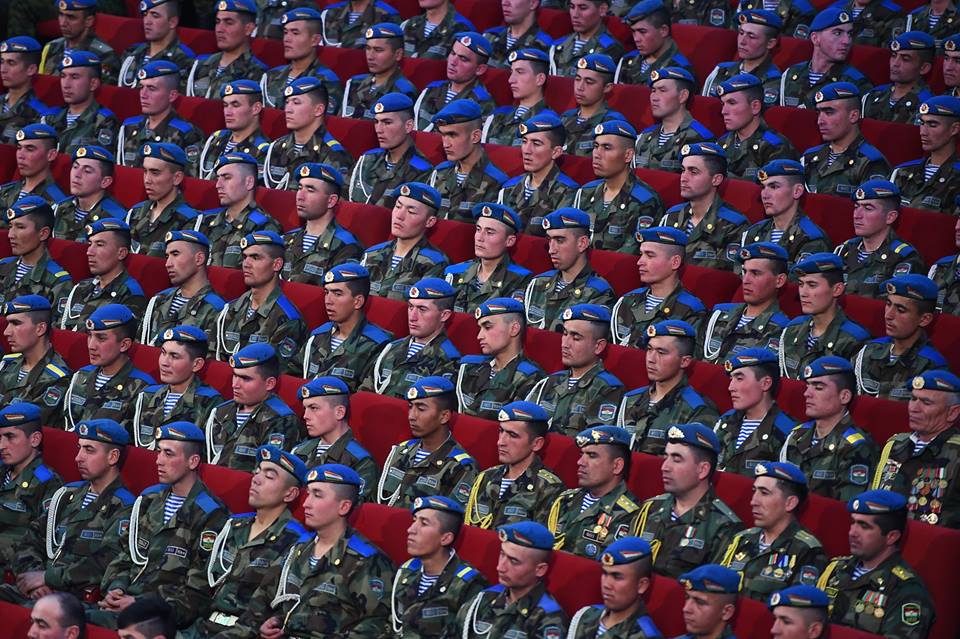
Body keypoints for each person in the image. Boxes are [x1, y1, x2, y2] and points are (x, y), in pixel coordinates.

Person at [92, 422, 229, 629]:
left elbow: (197, 593)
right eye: (158, 452)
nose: (158, 460)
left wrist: (138, 604)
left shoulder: (212, 514)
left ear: (192, 461)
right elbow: (124, 554)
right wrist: (117, 589)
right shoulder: (149, 499)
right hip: (124, 604)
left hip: (159, 618)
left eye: (168, 454)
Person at [233, 463, 395, 637]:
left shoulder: (366, 560)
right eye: (308, 493)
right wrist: (272, 622)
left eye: (317, 495)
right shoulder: (299, 547)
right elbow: (263, 597)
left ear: (344, 507)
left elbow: (377, 624)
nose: (306, 504)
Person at [6, 419, 132, 605]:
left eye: (89, 450)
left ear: (112, 457)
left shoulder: (124, 506)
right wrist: (35, 579)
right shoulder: (67, 494)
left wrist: (48, 578)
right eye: (79, 448)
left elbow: (106, 563)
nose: (78, 457)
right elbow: (31, 538)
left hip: (73, 599)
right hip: (38, 589)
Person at [185, 445, 308, 637]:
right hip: (201, 626)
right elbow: (199, 583)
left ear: (290, 494)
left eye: (269, 476)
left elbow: (274, 613)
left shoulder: (296, 543)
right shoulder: (234, 526)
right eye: (257, 472)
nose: (256, 479)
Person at [817, 489, 936, 639]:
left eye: (864, 526)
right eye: (853, 522)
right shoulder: (836, 568)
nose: (852, 532)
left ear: (891, 537)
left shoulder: (907, 591)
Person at [632, 423, 743, 578]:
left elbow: (711, 587)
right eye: (666, 457)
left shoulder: (724, 527)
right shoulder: (650, 508)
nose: (664, 467)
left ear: (702, 470)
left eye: (676, 459)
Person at [720, 462, 827, 601]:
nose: (753, 501)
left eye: (764, 493)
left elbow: (797, 608)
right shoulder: (741, 539)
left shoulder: (806, 550)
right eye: (754, 491)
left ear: (790, 503)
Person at [781, 355, 878, 501]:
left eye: (818, 388)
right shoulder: (797, 435)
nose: (807, 394)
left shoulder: (855, 446)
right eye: (807, 386)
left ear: (844, 396)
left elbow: (846, 507)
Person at [872, 369, 960, 528]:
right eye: (913, 399)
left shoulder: (956, 454)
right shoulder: (895, 444)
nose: (914, 408)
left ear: (952, 413)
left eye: (926, 403)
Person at [391, 495, 489, 637]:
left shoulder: (469, 585)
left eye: (424, 523)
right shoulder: (406, 571)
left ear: (445, 538)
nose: (411, 529)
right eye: (414, 521)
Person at [619, 320, 719, 455]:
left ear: (684, 361)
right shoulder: (631, 398)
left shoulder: (697, 409)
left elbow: (690, 461)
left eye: (661, 352)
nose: (650, 359)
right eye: (649, 349)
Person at [377, 376, 478, 508]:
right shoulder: (401, 450)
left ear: (444, 416)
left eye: (421, 409)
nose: (411, 416)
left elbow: (448, 516)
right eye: (410, 407)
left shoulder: (460, 466)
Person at [291, 263, 393, 390]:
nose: (328, 301)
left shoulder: (377, 345)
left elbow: (365, 396)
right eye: (326, 292)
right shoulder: (318, 336)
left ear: (358, 301)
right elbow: (291, 375)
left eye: (337, 294)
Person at [526, 304, 624, 436]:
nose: (565, 344)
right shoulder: (550, 381)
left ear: (598, 346)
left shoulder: (608, 388)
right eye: (564, 334)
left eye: (576, 338)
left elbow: (595, 441)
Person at [458, 520, 568, 637]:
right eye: (502, 554)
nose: (500, 567)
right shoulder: (485, 598)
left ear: (540, 569)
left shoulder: (548, 618)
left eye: (514, 561)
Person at [465, 401, 564, 529]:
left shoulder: (548, 488)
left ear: (537, 444)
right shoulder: (485, 477)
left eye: (513, 435)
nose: (501, 442)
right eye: (501, 431)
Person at [205, 343, 303, 472]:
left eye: (245, 379)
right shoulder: (221, 411)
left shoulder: (281, 420)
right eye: (235, 375)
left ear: (269, 384)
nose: (235, 385)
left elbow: (269, 474)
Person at [213, 230, 307, 363]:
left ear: (276, 264)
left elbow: (276, 369)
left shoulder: (287, 318)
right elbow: (212, 355)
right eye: (245, 257)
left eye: (255, 257)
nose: (246, 264)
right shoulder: (230, 309)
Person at [546, 425, 639, 559]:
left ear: (617, 466)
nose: (580, 462)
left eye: (592, 456)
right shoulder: (565, 499)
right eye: (581, 455)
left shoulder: (630, 513)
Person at [62, 304, 156, 433]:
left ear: (124, 345)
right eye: (89, 335)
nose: (91, 346)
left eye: (101, 338)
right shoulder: (81, 375)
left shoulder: (142, 388)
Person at [573, 119, 664, 253]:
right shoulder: (585, 192)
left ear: (628, 155)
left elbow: (632, 253)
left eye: (607, 148)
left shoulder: (645, 201)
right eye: (596, 146)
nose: (597, 154)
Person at [777, 253, 871, 380]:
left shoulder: (854, 340)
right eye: (801, 284)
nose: (803, 293)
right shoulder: (792, 329)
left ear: (837, 289)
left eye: (812, 285)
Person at [363, 278, 462, 397]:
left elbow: (430, 405)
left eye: (422, 309)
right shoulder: (391, 347)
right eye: (410, 307)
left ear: (444, 315)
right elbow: (365, 391)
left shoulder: (448, 360)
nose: (412, 317)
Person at [853, 275, 946, 401]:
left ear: (924, 319)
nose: (888, 315)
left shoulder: (931, 366)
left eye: (900, 310)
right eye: (888, 304)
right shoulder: (867, 351)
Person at [660, 142, 748, 272]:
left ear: (716, 179)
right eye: (683, 170)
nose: (683, 178)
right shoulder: (671, 216)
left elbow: (733, 278)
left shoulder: (734, 225)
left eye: (693, 172)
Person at [612, 227, 705, 349]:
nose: (640, 262)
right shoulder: (628, 299)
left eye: (650, 255)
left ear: (675, 262)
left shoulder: (691, 311)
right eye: (641, 254)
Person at [132, 325, 223, 449]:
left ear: (196, 364)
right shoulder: (147, 395)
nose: (164, 362)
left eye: (174, 356)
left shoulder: (210, 402)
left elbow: (208, 453)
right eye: (163, 353)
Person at [523, 209, 615, 331]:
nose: (551, 250)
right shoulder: (538, 282)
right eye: (549, 240)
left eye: (560, 240)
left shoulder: (598, 293)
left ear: (582, 243)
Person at [701, 242, 791, 364]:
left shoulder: (780, 330)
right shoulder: (718, 314)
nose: (746, 280)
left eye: (755, 273)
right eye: (745, 272)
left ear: (779, 280)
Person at [455, 297, 544, 419]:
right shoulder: (469, 366)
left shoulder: (530, 378)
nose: (479, 336)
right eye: (480, 328)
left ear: (514, 329)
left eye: (488, 327)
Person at [0, 403, 62, 574]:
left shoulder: (48, 482)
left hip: (12, 565)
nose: (1, 446)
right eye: (0, 437)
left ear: (34, 439)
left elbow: (42, 538)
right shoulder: (2, 470)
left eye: (10, 437)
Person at [835, 180, 925, 298]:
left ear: (890, 217)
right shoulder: (845, 249)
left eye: (868, 208)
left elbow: (895, 303)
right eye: (856, 207)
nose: (857, 215)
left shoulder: (904, 257)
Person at [361, 182, 449, 301]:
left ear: (429, 222)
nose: (399, 216)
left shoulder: (434, 263)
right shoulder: (371, 254)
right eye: (398, 207)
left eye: (411, 212)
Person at [715, 348, 796, 477]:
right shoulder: (725, 421)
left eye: (739, 378)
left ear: (765, 383)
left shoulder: (787, 432)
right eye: (731, 379)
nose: (730, 387)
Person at [801, 82, 891, 197]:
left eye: (829, 113)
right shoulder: (810, 157)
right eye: (819, 113)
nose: (820, 121)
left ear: (853, 116)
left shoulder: (870, 162)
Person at [292, 377, 379, 495]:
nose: (305, 416)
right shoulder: (300, 450)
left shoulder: (360, 461)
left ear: (339, 412)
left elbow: (354, 504)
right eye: (305, 408)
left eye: (314, 408)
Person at [262, 76, 353, 190]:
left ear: (318, 110)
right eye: (287, 102)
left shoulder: (334, 154)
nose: (288, 109)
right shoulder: (276, 146)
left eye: (296, 103)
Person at [497, 111, 580, 234]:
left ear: (556, 152)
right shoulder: (508, 188)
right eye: (524, 142)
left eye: (536, 144)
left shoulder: (567, 191)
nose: (527, 150)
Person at [116, 61, 204, 176]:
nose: (143, 95)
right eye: (141, 87)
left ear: (172, 95)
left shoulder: (187, 134)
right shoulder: (129, 126)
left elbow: (190, 180)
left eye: (151, 88)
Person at [348, 92, 434, 208]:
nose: (379, 130)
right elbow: (343, 197)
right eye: (376, 122)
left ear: (408, 126)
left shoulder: (422, 170)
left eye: (387, 123)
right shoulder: (367, 159)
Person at [566, 536, 664, 638]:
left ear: (641, 585)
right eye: (605, 573)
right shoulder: (585, 615)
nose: (606, 584)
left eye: (617, 577)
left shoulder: (645, 635)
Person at [283, 162, 364, 284]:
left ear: (331, 201)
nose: (300, 196)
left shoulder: (346, 247)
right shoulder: (287, 238)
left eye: (310, 190)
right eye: (300, 188)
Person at [59, 219, 147, 332]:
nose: (89, 252)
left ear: (121, 253)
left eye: (99, 245)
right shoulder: (82, 286)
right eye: (90, 244)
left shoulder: (130, 295)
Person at [443, 203, 532, 315]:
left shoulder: (520, 279)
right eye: (478, 229)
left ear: (510, 241)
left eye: (489, 232)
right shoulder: (454, 272)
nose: (479, 238)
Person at [139, 230, 225, 345]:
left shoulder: (216, 309)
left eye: (175, 254)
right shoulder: (159, 299)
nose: (168, 264)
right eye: (167, 256)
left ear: (199, 259)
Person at [429, 99, 508, 222]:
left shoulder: (496, 182)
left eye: (452, 135)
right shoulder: (439, 173)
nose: (445, 144)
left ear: (475, 136)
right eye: (443, 135)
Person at [199, 151, 281, 268]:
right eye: (218, 178)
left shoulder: (264, 227)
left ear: (249, 182)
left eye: (227, 178)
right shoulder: (206, 221)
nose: (218, 185)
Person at [742, 160, 832, 265]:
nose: (765, 195)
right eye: (763, 187)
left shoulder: (811, 238)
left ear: (797, 191)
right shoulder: (753, 232)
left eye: (774, 187)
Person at [779, 8, 871, 108]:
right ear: (815, 38)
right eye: (837, 33)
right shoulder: (791, 74)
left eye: (849, 34)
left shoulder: (854, 83)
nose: (847, 41)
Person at [0, 296, 71, 424]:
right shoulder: (7, 362)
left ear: (40, 329)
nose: (6, 332)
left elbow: (22, 425)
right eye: (8, 324)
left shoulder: (57, 378)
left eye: (16, 323)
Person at [124, 142, 202, 258]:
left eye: (155, 173)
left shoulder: (190, 220)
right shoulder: (135, 212)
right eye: (145, 171)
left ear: (177, 178)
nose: (147, 180)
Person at [260, 7, 343, 114]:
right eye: (285, 32)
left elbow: (323, 120)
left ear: (315, 40)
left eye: (295, 33)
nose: (287, 39)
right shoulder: (272, 75)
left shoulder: (325, 81)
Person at [715, 74, 797, 181]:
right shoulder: (722, 143)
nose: (723, 111)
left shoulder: (775, 147)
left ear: (755, 107)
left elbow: (772, 188)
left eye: (732, 103)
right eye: (723, 104)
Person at [634, 67, 714, 173]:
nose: (654, 97)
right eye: (653, 91)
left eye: (662, 91)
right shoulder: (644, 137)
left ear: (682, 96)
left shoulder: (699, 139)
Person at [0, 197, 72, 313]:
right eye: (10, 227)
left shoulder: (58, 281)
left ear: (43, 234)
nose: (10, 235)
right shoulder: (3, 265)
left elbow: (54, 323)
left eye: (20, 227)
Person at [892, 95, 960, 217]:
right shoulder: (902, 171)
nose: (923, 132)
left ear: (954, 129)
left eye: (932, 125)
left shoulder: (957, 177)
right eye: (922, 123)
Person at [414, 31, 496, 130]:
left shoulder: (482, 102)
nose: (453, 62)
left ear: (480, 69)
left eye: (463, 59)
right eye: (453, 53)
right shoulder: (431, 89)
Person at [185, 0, 266, 99]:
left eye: (228, 23)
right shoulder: (200, 65)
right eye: (217, 22)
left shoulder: (257, 73)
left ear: (248, 29)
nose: (219, 29)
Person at [43, 51, 119, 155]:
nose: (66, 85)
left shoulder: (104, 120)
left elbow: (97, 160)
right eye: (63, 76)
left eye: (74, 77)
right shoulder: (50, 117)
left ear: (93, 84)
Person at [702, 10, 783, 106]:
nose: (742, 41)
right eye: (741, 33)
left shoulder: (773, 79)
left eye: (751, 36)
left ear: (770, 43)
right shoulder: (721, 70)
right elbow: (704, 105)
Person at [198, 80, 271, 181]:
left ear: (256, 108)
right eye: (225, 105)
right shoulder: (215, 139)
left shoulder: (264, 151)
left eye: (235, 105)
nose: (227, 112)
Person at [342, 23, 417, 119]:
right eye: (368, 49)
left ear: (398, 54)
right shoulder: (354, 83)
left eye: (378, 50)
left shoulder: (403, 92)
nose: (370, 56)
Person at [53, 145, 127, 241]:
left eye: (87, 171)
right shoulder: (59, 208)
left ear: (105, 182)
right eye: (75, 167)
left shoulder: (117, 218)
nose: (77, 175)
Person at [117, 0, 196, 90]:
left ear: (172, 22)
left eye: (155, 16)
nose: (147, 21)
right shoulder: (132, 52)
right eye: (145, 14)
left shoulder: (183, 60)